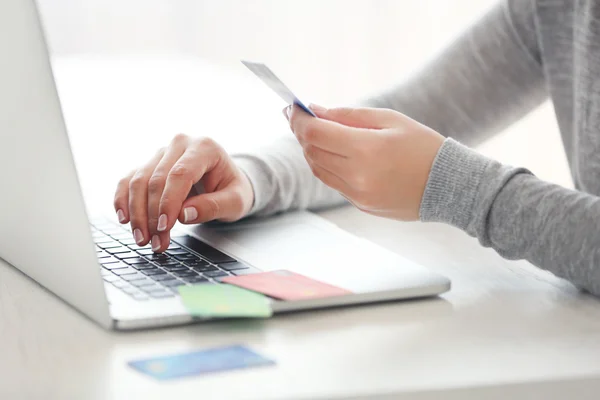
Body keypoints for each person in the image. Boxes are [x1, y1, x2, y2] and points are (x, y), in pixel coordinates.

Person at [113, 0, 600, 297]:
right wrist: (250, 179)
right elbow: (410, 111)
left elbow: (433, 166)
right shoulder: (554, 8)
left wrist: (456, 188)